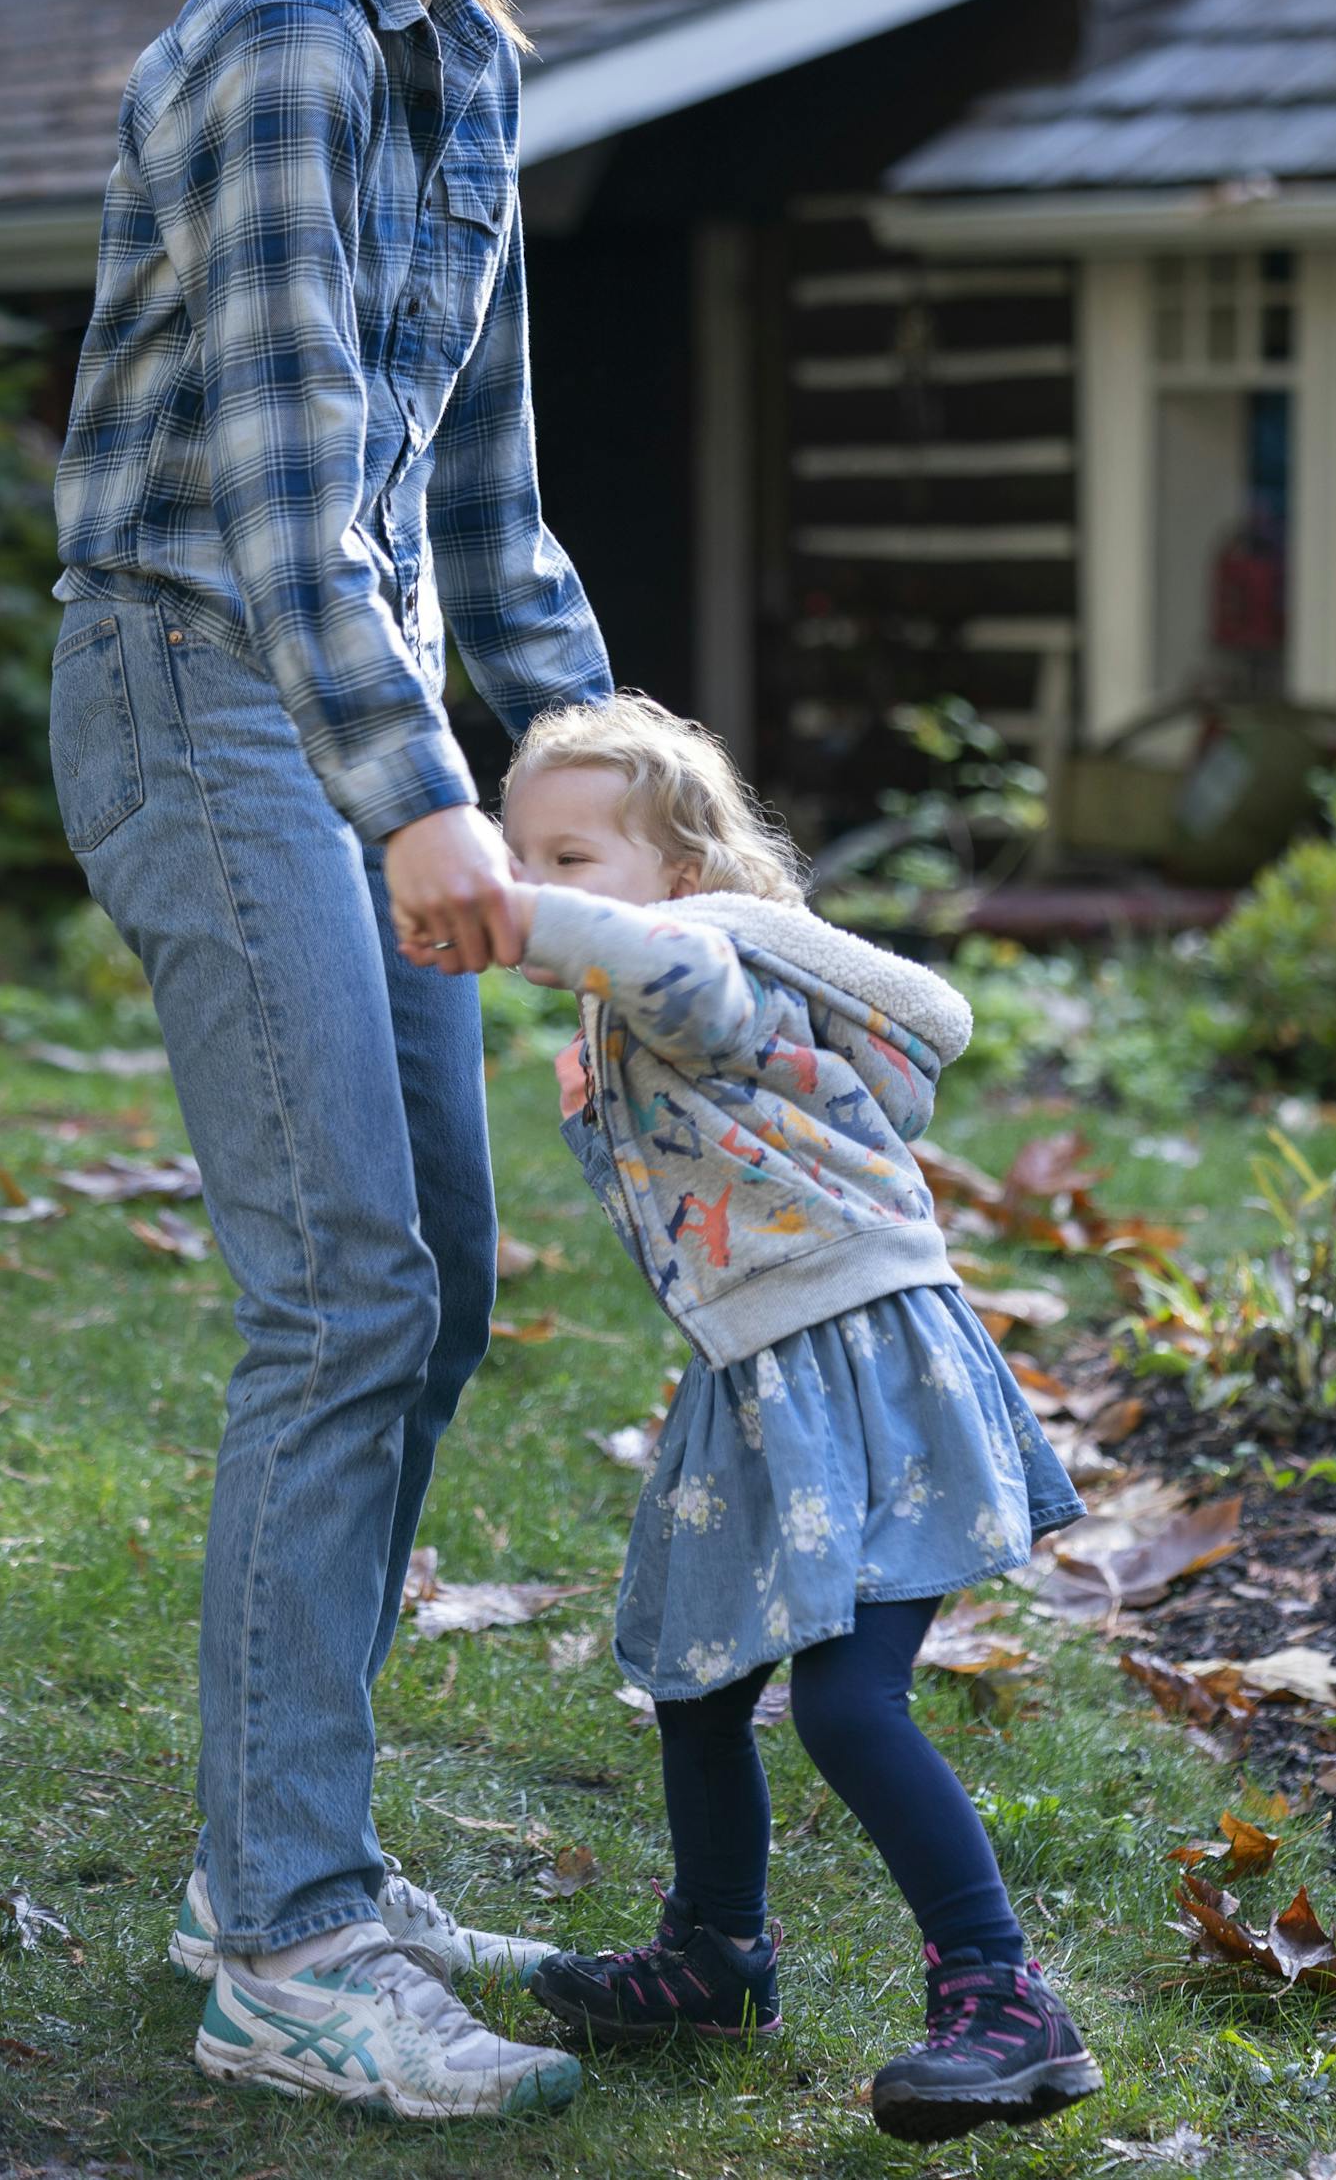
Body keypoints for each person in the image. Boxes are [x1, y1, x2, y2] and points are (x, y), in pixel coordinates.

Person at [47, 0, 607, 2118]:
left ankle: (292, 1858)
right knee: (342, 1291)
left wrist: (627, 773)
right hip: (197, 684)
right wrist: (421, 793)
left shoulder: (469, 61)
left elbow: (479, 509)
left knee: (447, 1284)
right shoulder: (276, 40)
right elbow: (289, 489)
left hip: (323, 701)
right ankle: (284, 1926)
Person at [477, 693, 1105, 2146]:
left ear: (681, 874)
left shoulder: (704, 961)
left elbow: (667, 976)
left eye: (569, 856)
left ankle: (1008, 1999)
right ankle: (716, 1954)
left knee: (844, 1697)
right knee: (697, 1673)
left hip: (866, 1361)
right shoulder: (631, 989)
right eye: (519, 851)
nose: (532, 880)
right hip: (758, 1368)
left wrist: (517, 914)